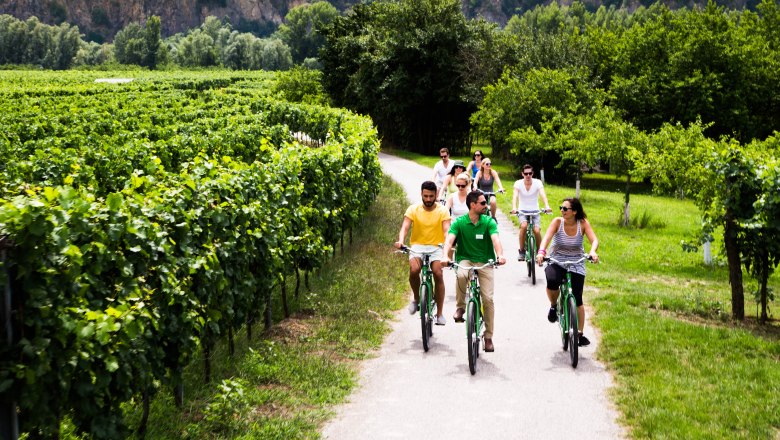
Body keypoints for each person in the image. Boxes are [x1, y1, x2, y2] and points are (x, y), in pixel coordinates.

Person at [442, 191, 507, 352]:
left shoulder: (488, 221)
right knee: (461, 275)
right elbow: (449, 240)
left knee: (488, 299)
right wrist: (445, 256)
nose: (486, 206)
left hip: (485, 262)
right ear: (473, 205)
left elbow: (495, 239)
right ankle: (461, 307)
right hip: (466, 259)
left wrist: (500, 255)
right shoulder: (460, 222)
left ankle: (488, 337)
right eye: (483, 203)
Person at [535, 198, 599, 347]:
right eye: (561, 208)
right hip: (556, 260)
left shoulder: (582, 223)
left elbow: (594, 240)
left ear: (574, 211)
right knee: (552, 282)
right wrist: (541, 252)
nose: (562, 211)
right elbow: (547, 238)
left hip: (576, 262)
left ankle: (580, 333)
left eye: (565, 209)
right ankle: (553, 306)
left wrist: (593, 251)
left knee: (578, 299)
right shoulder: (557, 222)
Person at [394, 181, 452, 325]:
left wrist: (447, 247)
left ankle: (439, 314)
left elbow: (447, 231)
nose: (428, 199)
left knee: (438, 273)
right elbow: (405, 227)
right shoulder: (413, 209)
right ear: (421, 194)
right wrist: (401, 240)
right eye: (425, 196)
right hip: (417, 246)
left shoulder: (442, 210)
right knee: (414, 270)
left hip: (436, 247)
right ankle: (416, 298)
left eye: (431, 196)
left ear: (436, 195)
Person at [510, 164, 552, 261]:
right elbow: (515, 196)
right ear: (522, 174)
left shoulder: (537, 183)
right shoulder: (518, 183)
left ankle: (540, 252)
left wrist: (547, 206)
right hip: (522, 211)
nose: (528, 175)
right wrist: (514, 208)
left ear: (532, 173)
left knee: (536, 231)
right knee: (524, 226)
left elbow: (542, 194)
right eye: (526, 173)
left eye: (530, 173)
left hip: (535, 211)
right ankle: (521, 251)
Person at [444, 172, 471, 259]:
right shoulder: (452, 197)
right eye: (458, 185)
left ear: (467, 185)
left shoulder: (471, 196)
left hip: (468, 224)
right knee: (451, 241)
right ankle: (449, 259)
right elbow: (445, 210)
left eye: (462, 186)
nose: (460, 188)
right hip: (455, 224)